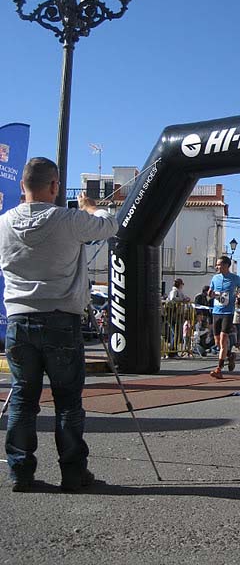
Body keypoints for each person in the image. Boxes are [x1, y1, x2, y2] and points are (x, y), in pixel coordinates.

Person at [0, 157, 118, 492]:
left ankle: (20, 471)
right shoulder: (68, 220)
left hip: (19, 319)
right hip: (61, 320)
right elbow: (110, 226)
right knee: (67, 400)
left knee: (23, 397)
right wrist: (92, 208)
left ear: (23, 185)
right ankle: (73, 473)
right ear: (54, 186)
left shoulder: (4, 224)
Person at [208, 256, 240, 378]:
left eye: (219, 265)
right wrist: (210, 293)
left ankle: (219, 369)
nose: (217, 267)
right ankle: (230, 355)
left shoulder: (235, 278)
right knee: (217, 342)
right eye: (217, 265)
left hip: (228, 313)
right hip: (216, 311)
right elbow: (210, 291)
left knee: (224, 340)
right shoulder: (215, 278)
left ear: (226, 266)